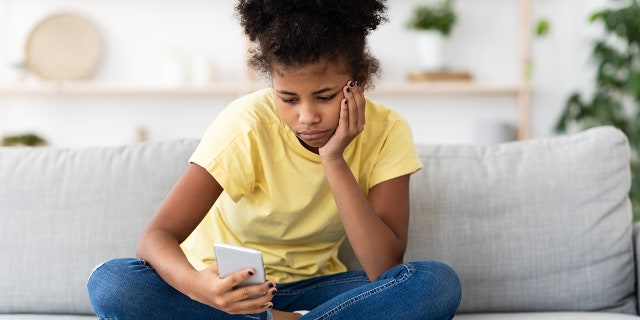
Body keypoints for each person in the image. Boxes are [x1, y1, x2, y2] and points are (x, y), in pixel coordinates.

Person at [87, 0, 462, 319]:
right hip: (230, 290)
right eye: (289, 99)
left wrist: (333, 159)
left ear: (359, 80)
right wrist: (201, 287)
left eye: (326, 96)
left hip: (317, 288)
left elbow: (384, 267)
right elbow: (156, 238)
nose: (307, 116)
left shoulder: (388, 131)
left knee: (434, 284)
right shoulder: (247, 124)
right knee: (113, 282)